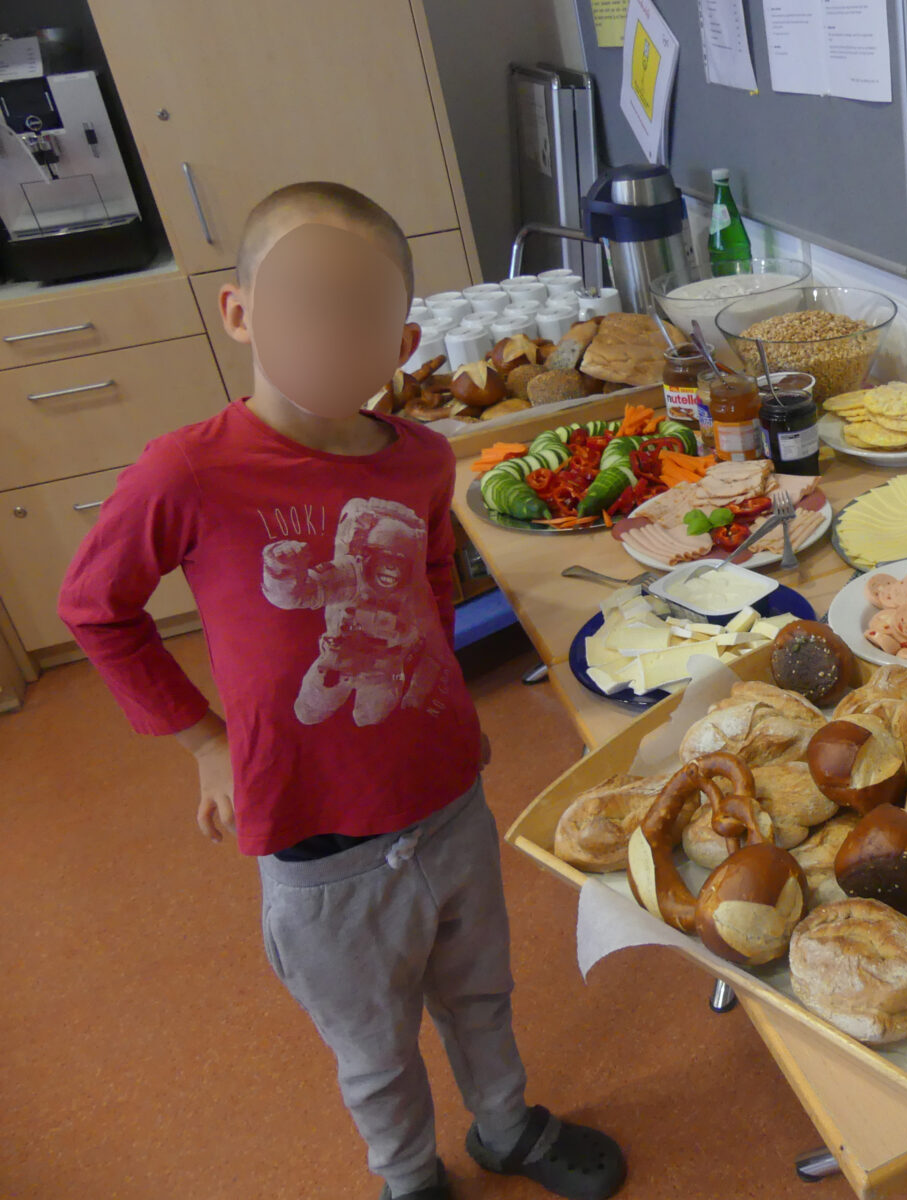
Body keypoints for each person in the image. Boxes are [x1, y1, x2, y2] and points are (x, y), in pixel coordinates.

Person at [57, 181, 626, 1200]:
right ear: (240, 313)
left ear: (401, 342)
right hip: (318, 843)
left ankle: (504, 1126)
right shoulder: (185, 473)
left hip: (446, 798)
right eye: (304, 302)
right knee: (372, 1044)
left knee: (480, 993)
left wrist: (443, 700)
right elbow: (97, 607)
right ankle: (408, 1178)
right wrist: (201, 743)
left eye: (359, 312)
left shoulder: (416, 458)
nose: (331, 331)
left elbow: (434, 584)